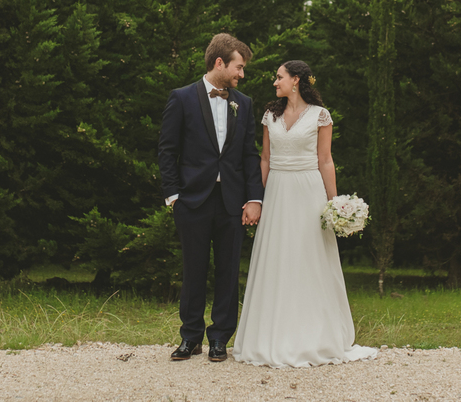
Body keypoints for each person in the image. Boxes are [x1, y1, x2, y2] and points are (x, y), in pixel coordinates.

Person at [232, 60, 378, 368]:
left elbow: (325, 160)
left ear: (295, 80)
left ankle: (315, 335)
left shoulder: (320, 116)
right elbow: (265, 159)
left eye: (280, 77)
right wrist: (256, 198)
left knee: (309, 259)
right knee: (278, 259)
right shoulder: (270, 115)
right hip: (277, 193)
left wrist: (334, 203)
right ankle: (271, 336)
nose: (275, 82)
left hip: (309, 192)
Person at [158, 33, 264, 362]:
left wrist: (254, 198)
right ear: (219, 63)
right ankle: (190, 337)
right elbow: (167, 150)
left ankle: (220, 338)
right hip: (192, 200)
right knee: (193, 270)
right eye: (238, 67)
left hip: (232, 202)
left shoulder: (243, 103)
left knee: (228, 271)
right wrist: (173, 195)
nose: (241, 75)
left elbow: (249, 154)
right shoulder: (182, 98)